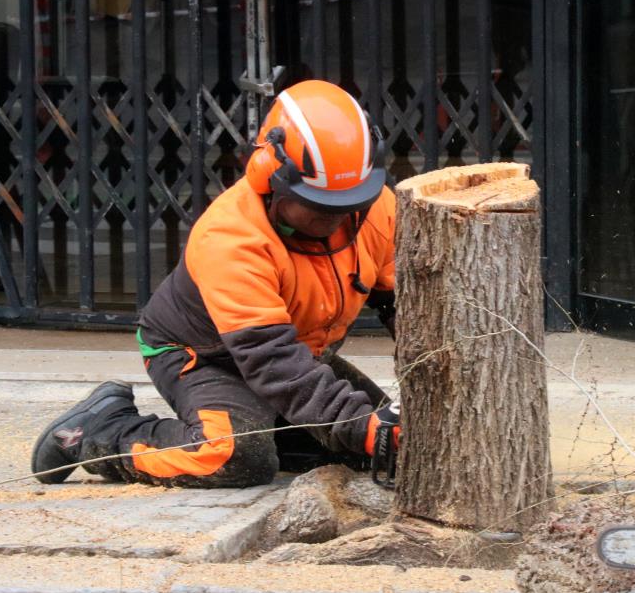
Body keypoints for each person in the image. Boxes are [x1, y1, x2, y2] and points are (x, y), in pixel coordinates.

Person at [31, 79, 402, 488]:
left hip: (299, 351)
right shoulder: (231, 238)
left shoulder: (376, 208)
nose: (335, 219)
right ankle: (101, 432)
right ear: (270, 176)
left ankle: (276, 431)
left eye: (349, 204)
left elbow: (402, 304)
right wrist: (360, 425)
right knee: (235, 456)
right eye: (318, 206)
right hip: (205, 355)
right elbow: (270, 359)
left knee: (383, 447)